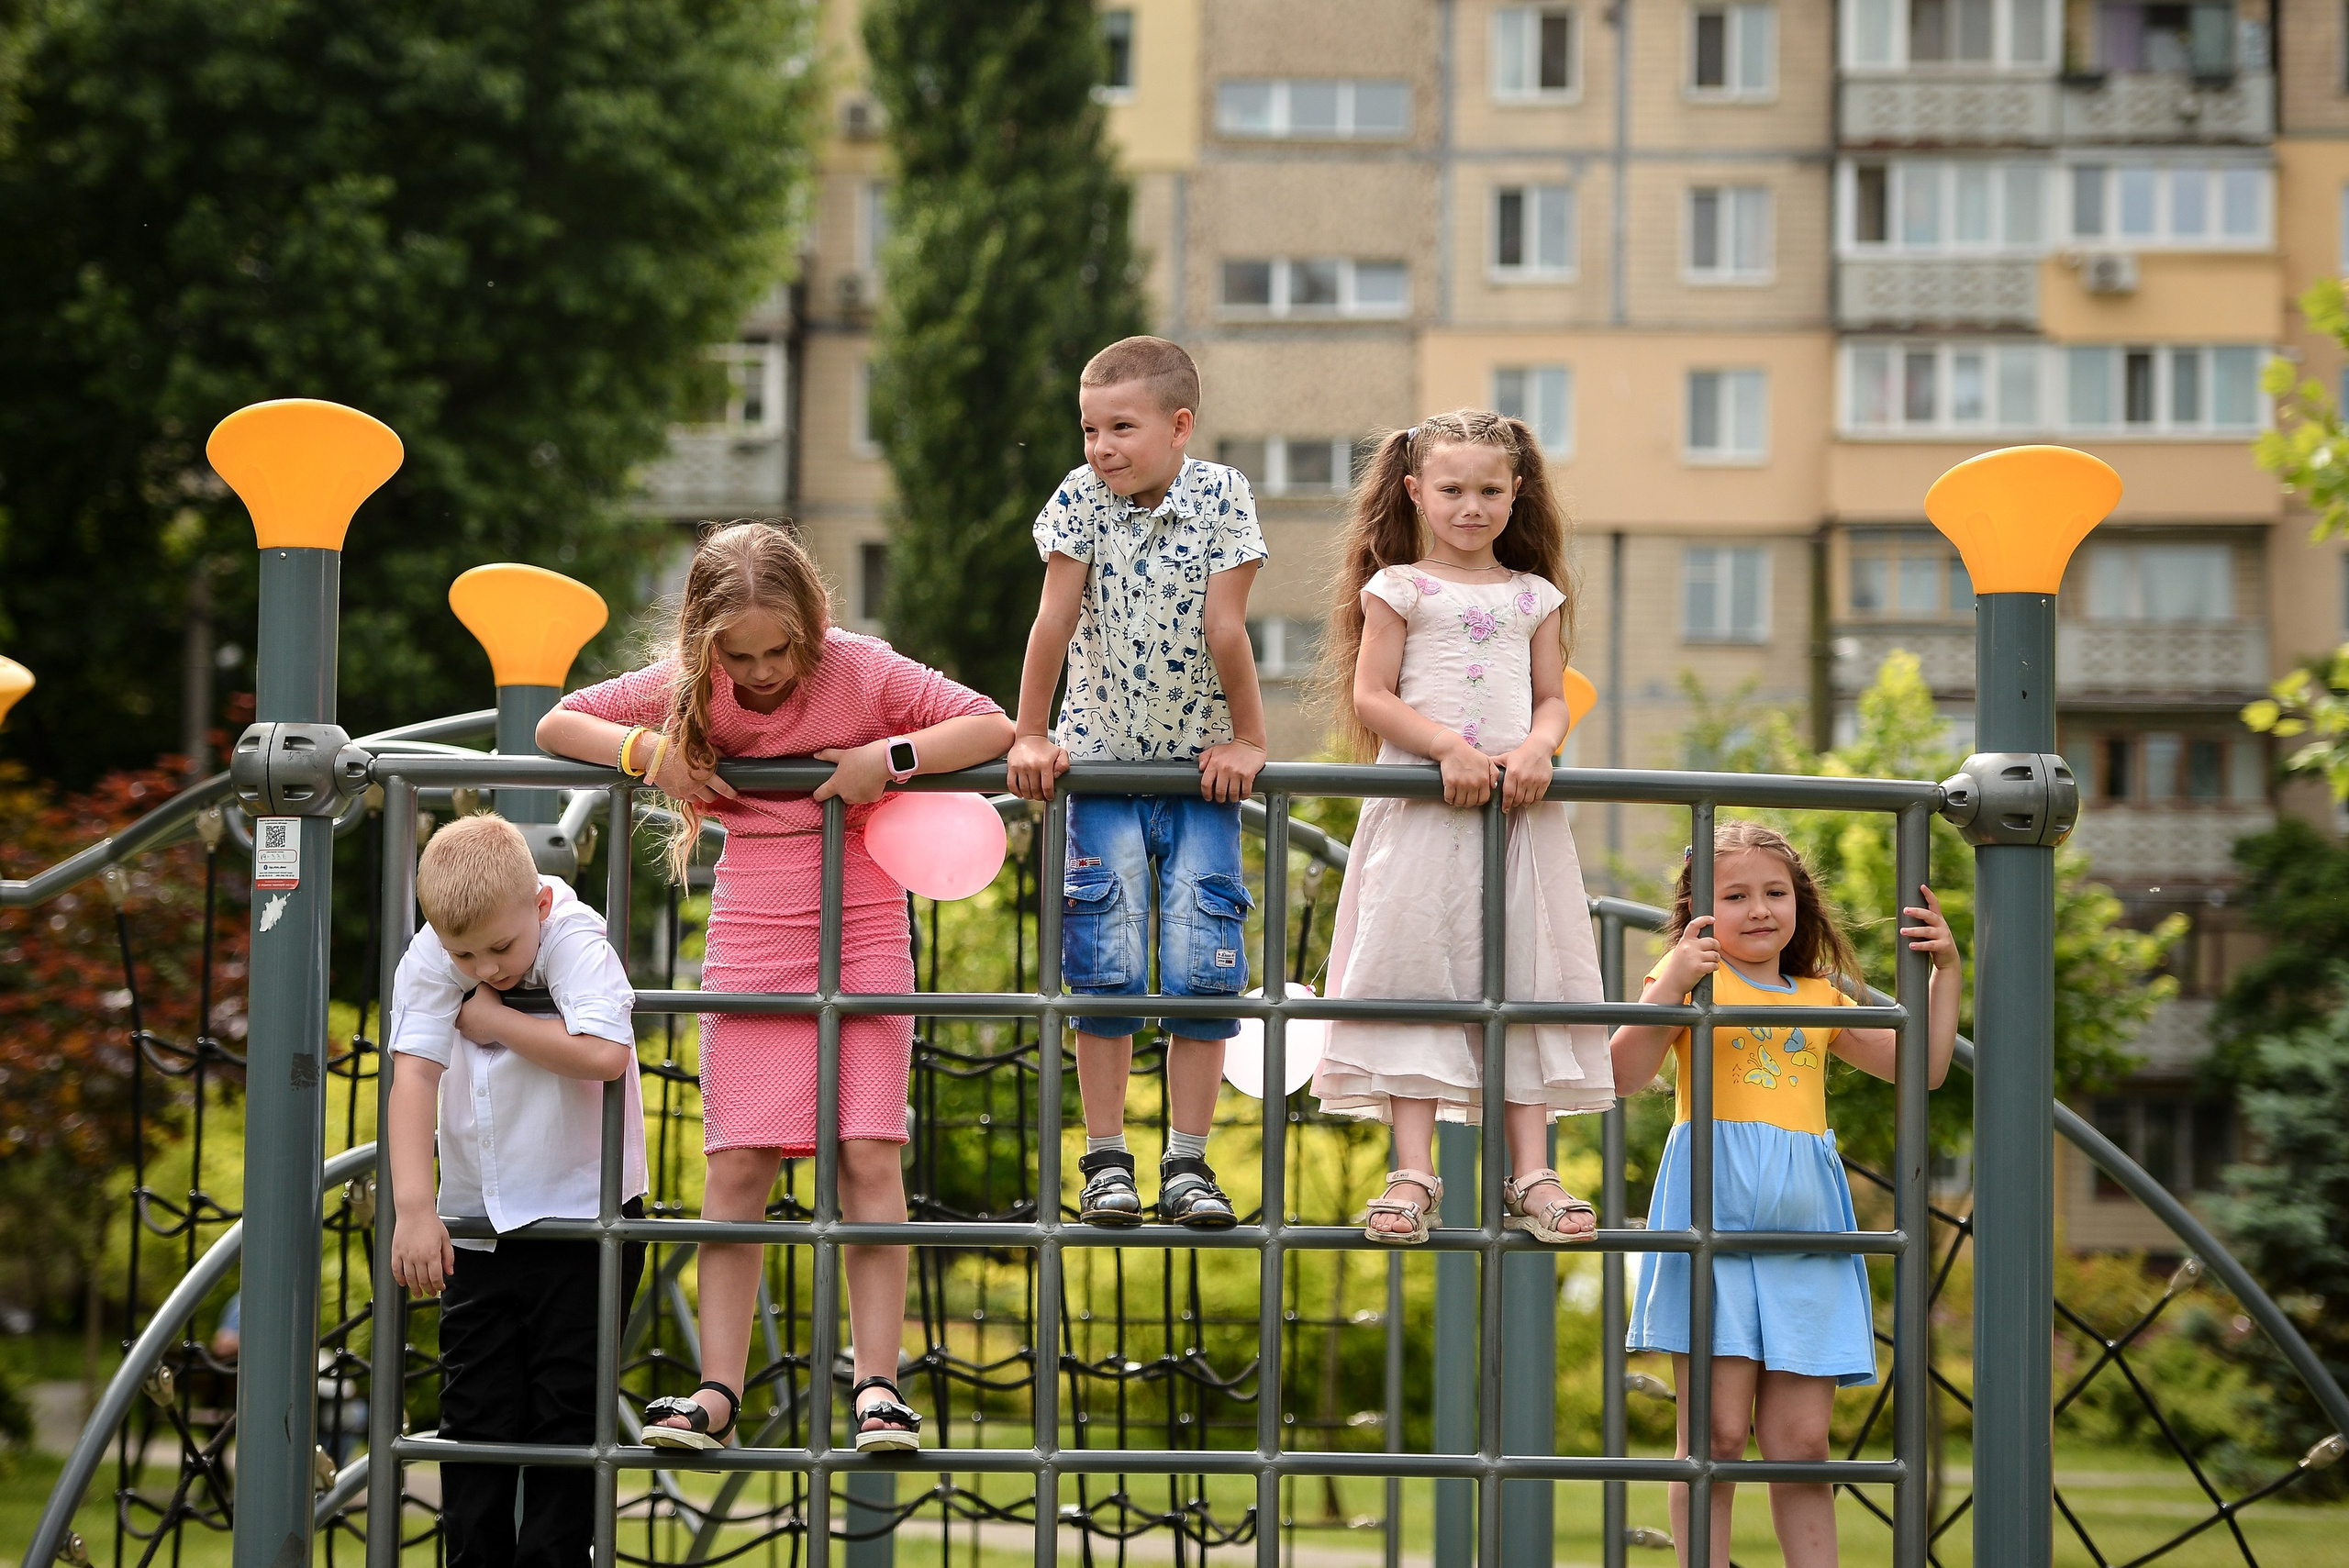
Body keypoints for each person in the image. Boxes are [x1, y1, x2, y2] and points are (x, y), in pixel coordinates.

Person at [537, 521, 1012, 1455]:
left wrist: (891, 758)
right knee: (738, 1161)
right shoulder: (691, 684)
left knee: (869, 1152)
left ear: (811, 626)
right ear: (704, 641)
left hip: (863, 922)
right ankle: (718, 1389)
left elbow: (989, 723)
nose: (758, 673)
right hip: (754, 931)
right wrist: (648, 754)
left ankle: (878, 1384)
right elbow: (559, 722)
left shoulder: (861, 670)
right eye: (739, 655)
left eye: (777, 651)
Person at [1609, 820, 1960, 1568]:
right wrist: (1672, 979)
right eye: (1735, 895)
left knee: (1801, 1443)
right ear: (1699, 908)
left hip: (1807, 1235)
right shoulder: (1693, 981)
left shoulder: (1819, 997)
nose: (1759, 909)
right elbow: (1622, 1074)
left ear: (1800, 902)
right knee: (1715, 1438)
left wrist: (1945, 973)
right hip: (1715, 1223)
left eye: (1775, 891)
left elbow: (1923, 1068)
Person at [1308, 409, 1614, 1246]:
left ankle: (1532, 1171)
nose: (1471, 506)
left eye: (1488, 490)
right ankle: (1412, 1169)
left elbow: (1550, 697)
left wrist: (1540, 748)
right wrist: (1446, 746)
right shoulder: (1400, 587)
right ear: (1416, 491)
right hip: (1423, 810)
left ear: (1516, 492)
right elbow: (1372, 695)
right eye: (1451, 489)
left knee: (1525, 968)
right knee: (1417, 967)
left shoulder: (1533, 595)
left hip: (1516, 812)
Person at [1005, 336, 1270, 1230]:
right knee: (1105, 961)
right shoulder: (1080, 498)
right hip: (1103, 763)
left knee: (1203, 962)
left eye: (1121, 427)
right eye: (1089, 429)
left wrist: (1249, 739)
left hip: (1199, 773)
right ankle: (1106, 1158)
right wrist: (1031, 732)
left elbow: (1226, 626)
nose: (1100, 447)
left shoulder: (1222, 496)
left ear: (1179, 425)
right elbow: (1053, 618)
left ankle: (1189, 1162)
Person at [384, 813, 648, 1568]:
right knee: (474, 1414)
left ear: (537, 905)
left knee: (569, 1413)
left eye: (500, 948)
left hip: (584, 1217)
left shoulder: (572, 935)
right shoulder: (437, 951)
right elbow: (413, 1075)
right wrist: (415, 1208)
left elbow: (604, 1052)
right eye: (465, 954)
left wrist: (495, 1020)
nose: (485, 966)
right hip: (478, 1223)